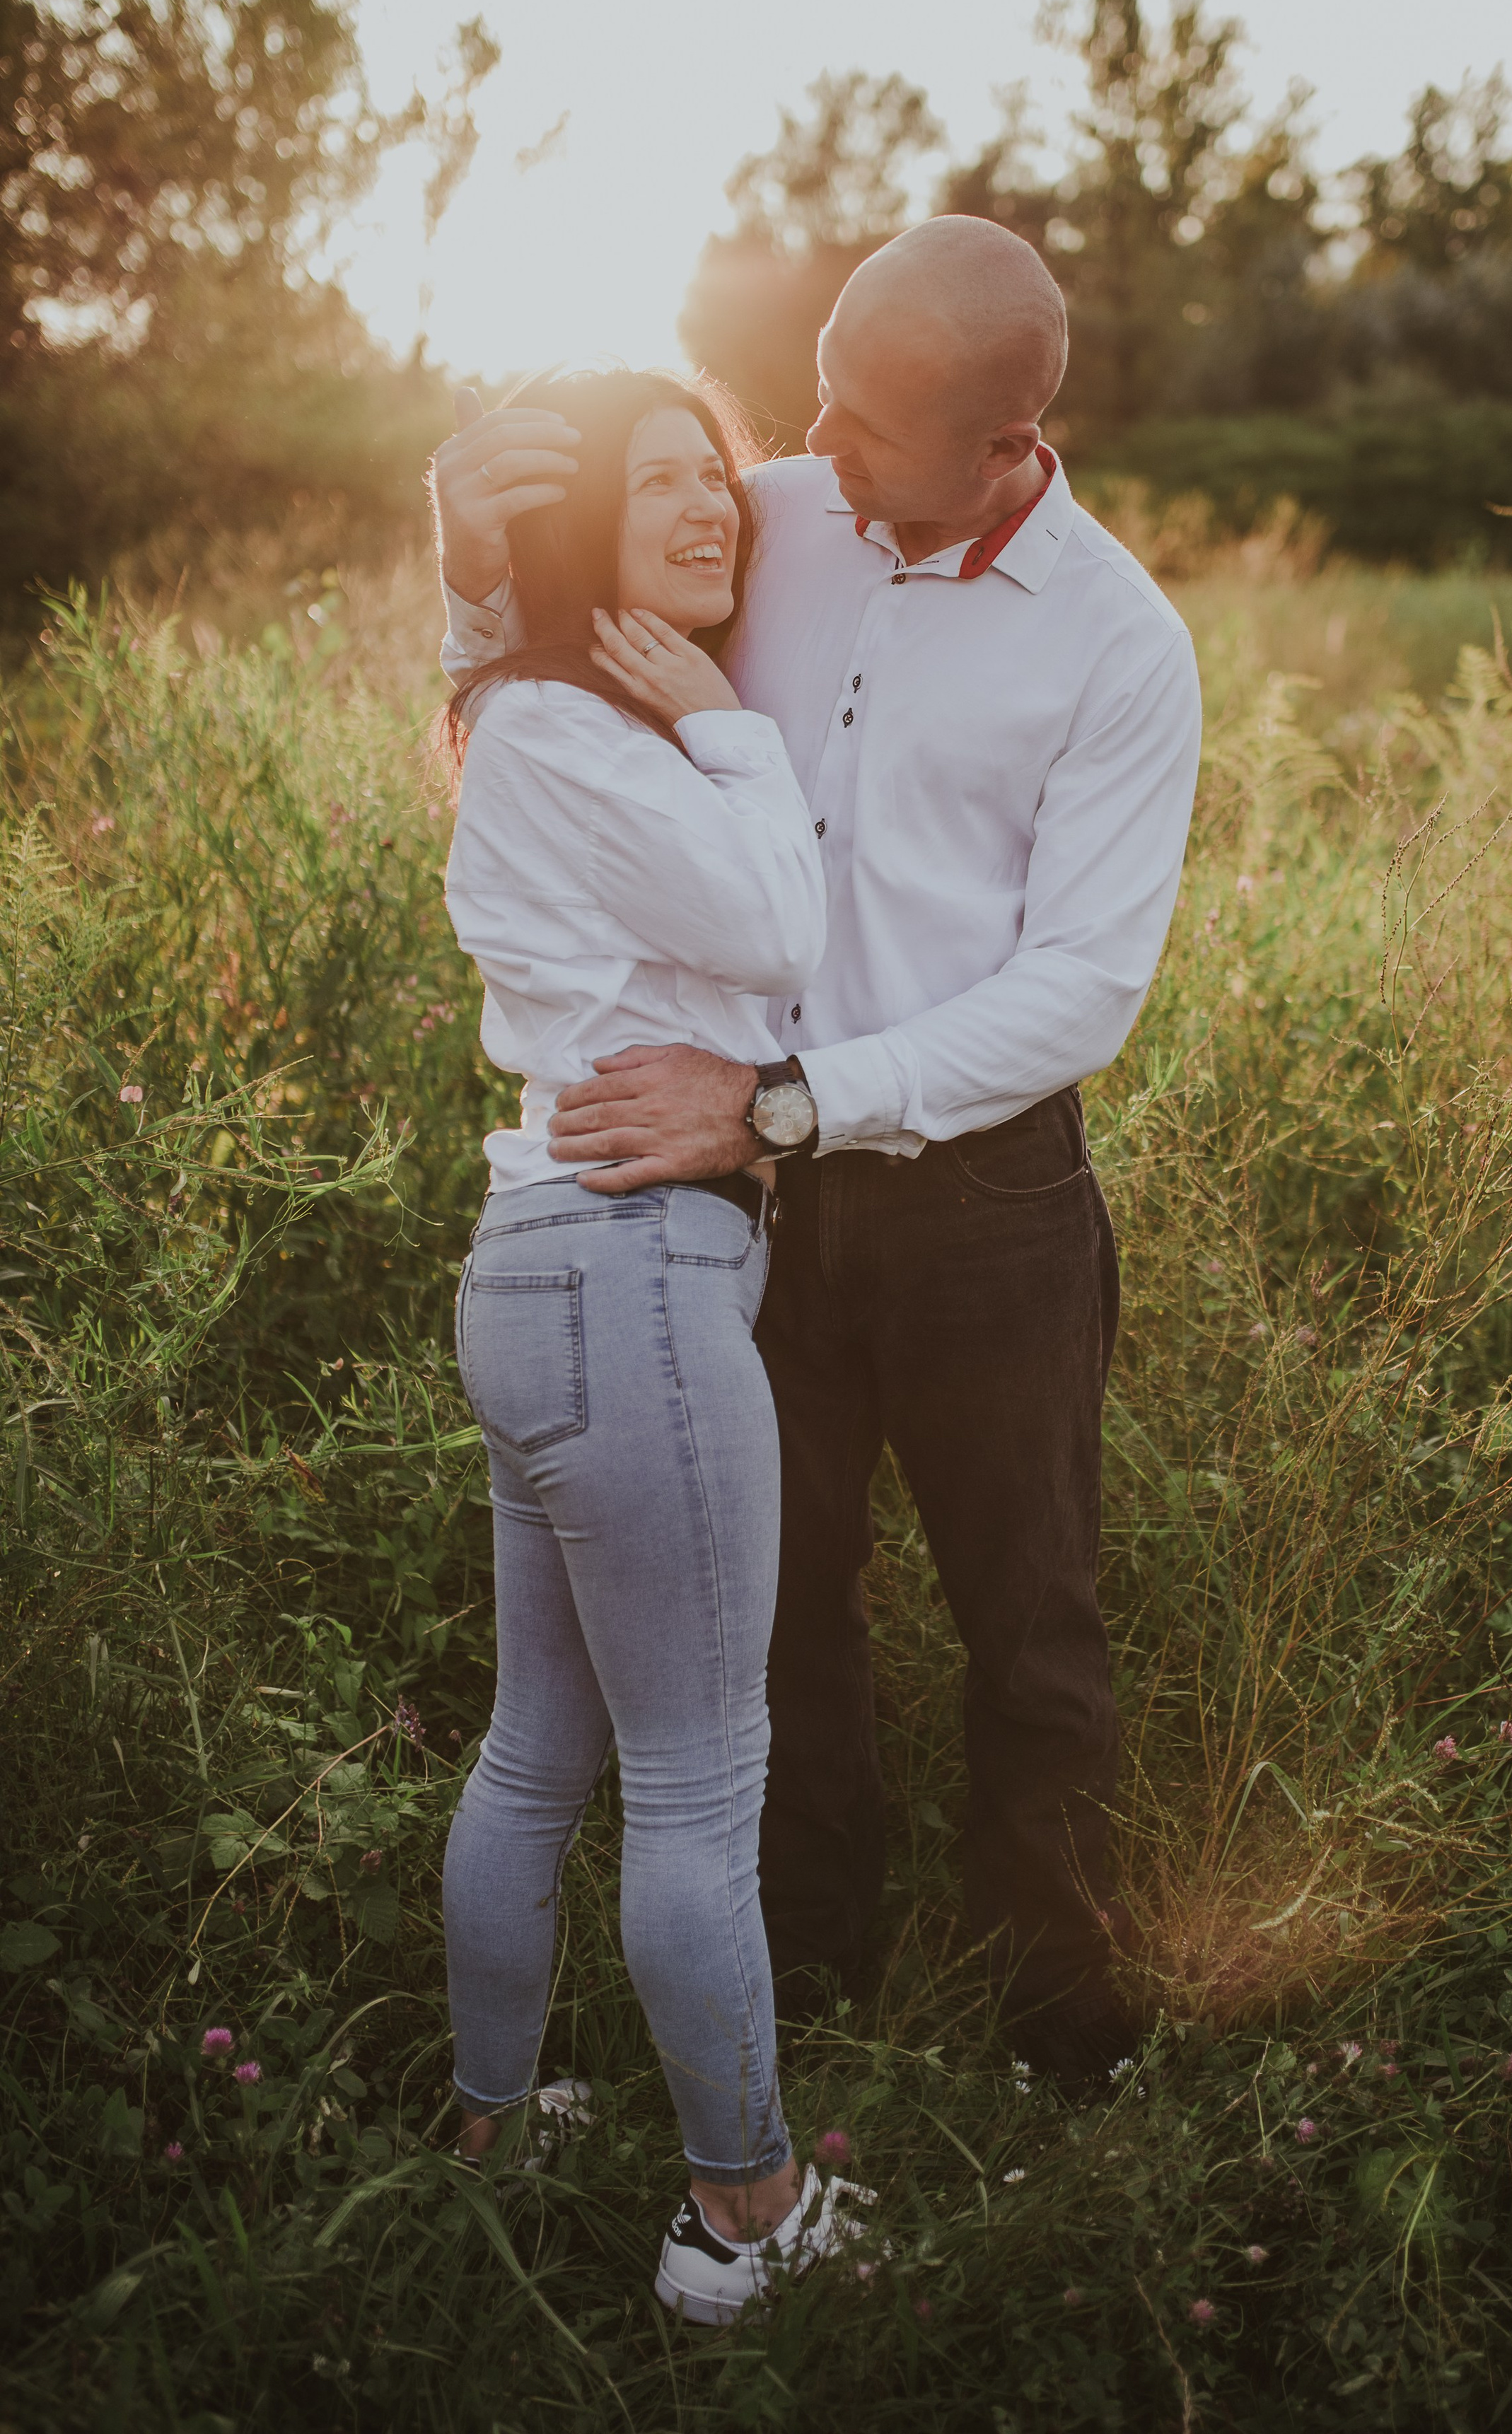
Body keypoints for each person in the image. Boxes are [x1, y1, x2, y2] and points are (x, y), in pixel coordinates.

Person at [431, 218, 1203, 2091]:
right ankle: (808, 1983)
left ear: (1008, 443)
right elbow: (543, 683)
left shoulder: (1120, 644)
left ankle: (1062, 2036)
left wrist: (781, 1101)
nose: (811, 447)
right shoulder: (767, 514)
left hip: (980, 1193)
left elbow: (1079, 992)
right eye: (819, 396)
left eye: (863, 424)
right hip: (741, 1206)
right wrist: (460, 563)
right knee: (785, 1617)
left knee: (1028, 1621)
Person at [434, 363, 867, 2324]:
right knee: (696, 1780)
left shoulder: (533, 715)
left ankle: (488, 2130)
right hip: (631, 1278)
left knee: (542, 1750)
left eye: (720, 475)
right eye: (661, 481)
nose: (712, 507)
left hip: (543, 1265)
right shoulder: (584, 727)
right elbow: (788, 935)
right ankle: (745, 2212)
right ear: (576, 530)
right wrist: (734, 732)